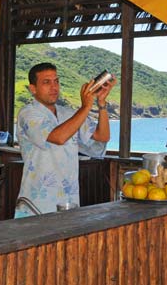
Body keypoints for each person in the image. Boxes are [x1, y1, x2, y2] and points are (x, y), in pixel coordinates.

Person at [14, 62, 116, 217]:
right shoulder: (28, 114)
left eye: (56, 81)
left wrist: (101, 105)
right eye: (46, 82)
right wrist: (85, 107)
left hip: (69, 200)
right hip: (37, 202)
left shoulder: (69, 114)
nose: (54, 87)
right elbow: (58, 137)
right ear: (33, 89)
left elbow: (102, 136)